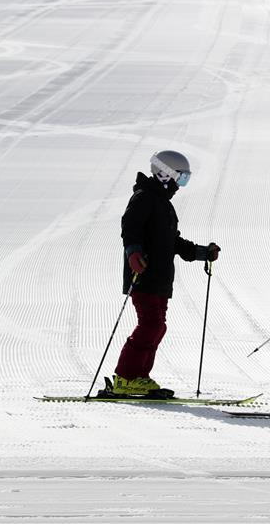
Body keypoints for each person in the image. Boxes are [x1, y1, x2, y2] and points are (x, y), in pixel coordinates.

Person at [109, 151, 221, 397]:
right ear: (165, 174)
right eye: (180, 179)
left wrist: (202, 252)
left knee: (157, 327)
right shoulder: (144, 198)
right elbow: (130, 227)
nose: (180, 186)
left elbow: (174, 242)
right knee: (150, 325)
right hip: (144, 274)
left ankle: (138, 376)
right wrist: (133, 252)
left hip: (160, 278)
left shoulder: (163, 204)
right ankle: (126, 378)